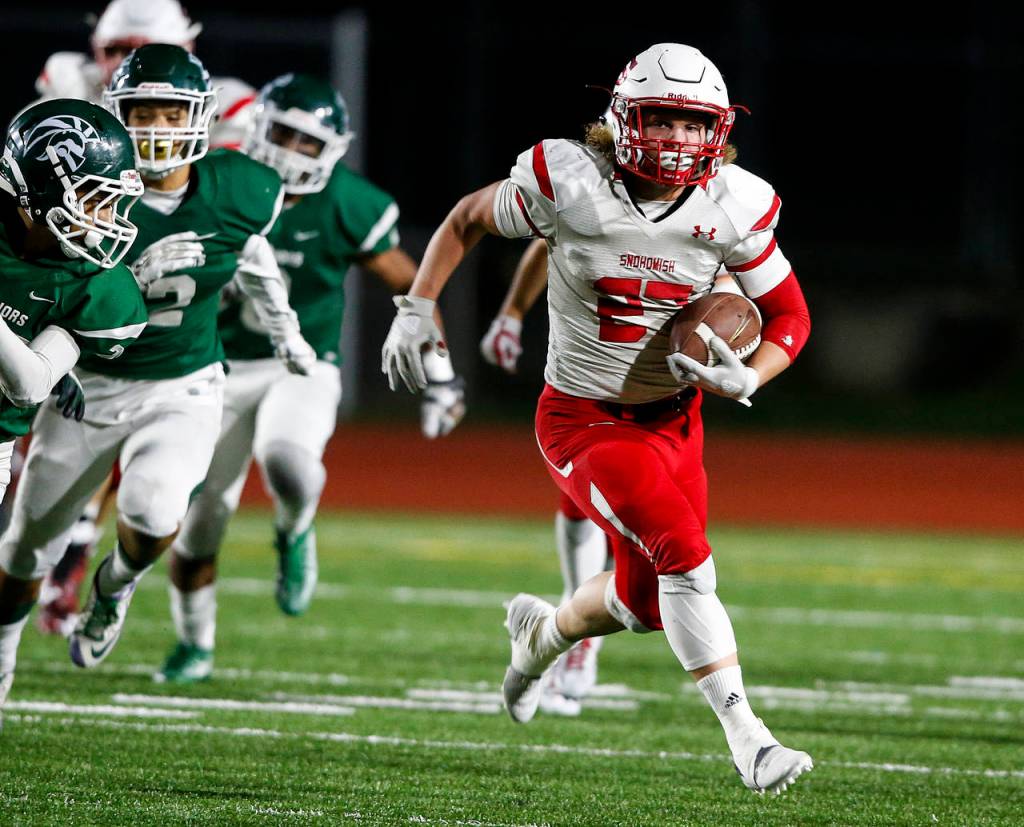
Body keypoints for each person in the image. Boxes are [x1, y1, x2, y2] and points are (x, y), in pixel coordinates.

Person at [383, 43, 813, 793]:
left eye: (693, 123)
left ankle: (540, 637)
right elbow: (465, 220)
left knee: (645, 602)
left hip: (675, 424)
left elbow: (789, 314)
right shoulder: (568, 181)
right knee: (688, 556)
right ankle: (749, 736)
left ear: (717, 129)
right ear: (622, 119)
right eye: (663, 119)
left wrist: (753, 372)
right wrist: (418, 305)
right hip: (583, 419)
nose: (678, 138)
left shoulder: (733, 202)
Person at [0, 44, 313, 687]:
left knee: (155, 505)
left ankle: (114, 586)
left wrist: (287, 334)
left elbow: (254, 258)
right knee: (26, 547)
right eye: (141, 110)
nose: (155, 129)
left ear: (200, 117)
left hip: (182, 383)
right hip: (84, 385)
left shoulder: (238, 187)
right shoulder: (82, 188)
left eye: (171, 114)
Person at [154, 73, 464, 683]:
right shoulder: (218, 179)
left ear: (332, 150)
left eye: (307, 142)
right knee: (199, 517)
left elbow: (412, 284)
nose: (291, 152)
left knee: (287, 461)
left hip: (302, 363)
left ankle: (294, 532)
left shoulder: (348, 203)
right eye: (282, 134)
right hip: (210, 364)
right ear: (258, 127)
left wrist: (442, 374)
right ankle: (196, 642)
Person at [31, 0, 260, 634]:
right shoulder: (67, 95)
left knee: (159, 493)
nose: (114, 59)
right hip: (85, 312)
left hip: (186, 316)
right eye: (111, 46)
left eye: (135, 43)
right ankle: (60, 555)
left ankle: (92, 563)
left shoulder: (230, 126)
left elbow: (230, 213)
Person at [0, 98, 150, 721]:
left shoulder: (98, 283)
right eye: (95, 198)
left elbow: (30, 383)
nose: (107, 219)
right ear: (35, 192)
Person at [35, 0, 255, 150]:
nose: (126, 62)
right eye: (113, 50)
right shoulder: (73, 82)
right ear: (96, 47)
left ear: (184, 50)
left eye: (146, 51)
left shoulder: (223, 104)